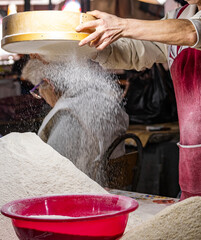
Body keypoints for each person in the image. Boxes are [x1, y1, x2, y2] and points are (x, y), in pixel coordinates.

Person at [76, 1, 201, 199]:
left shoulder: (183, 26)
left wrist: (123, 26)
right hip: (192, 161)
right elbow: (136, 50)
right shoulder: (179, 17)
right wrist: (89, 45)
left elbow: (191, 32)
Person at [22, 57, 128, 185]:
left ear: (49, 84)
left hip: (90, 190)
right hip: (115, 184)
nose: (42, 97)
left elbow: (54, 169)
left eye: (37, 90)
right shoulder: (101, 99)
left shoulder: (69, 113)